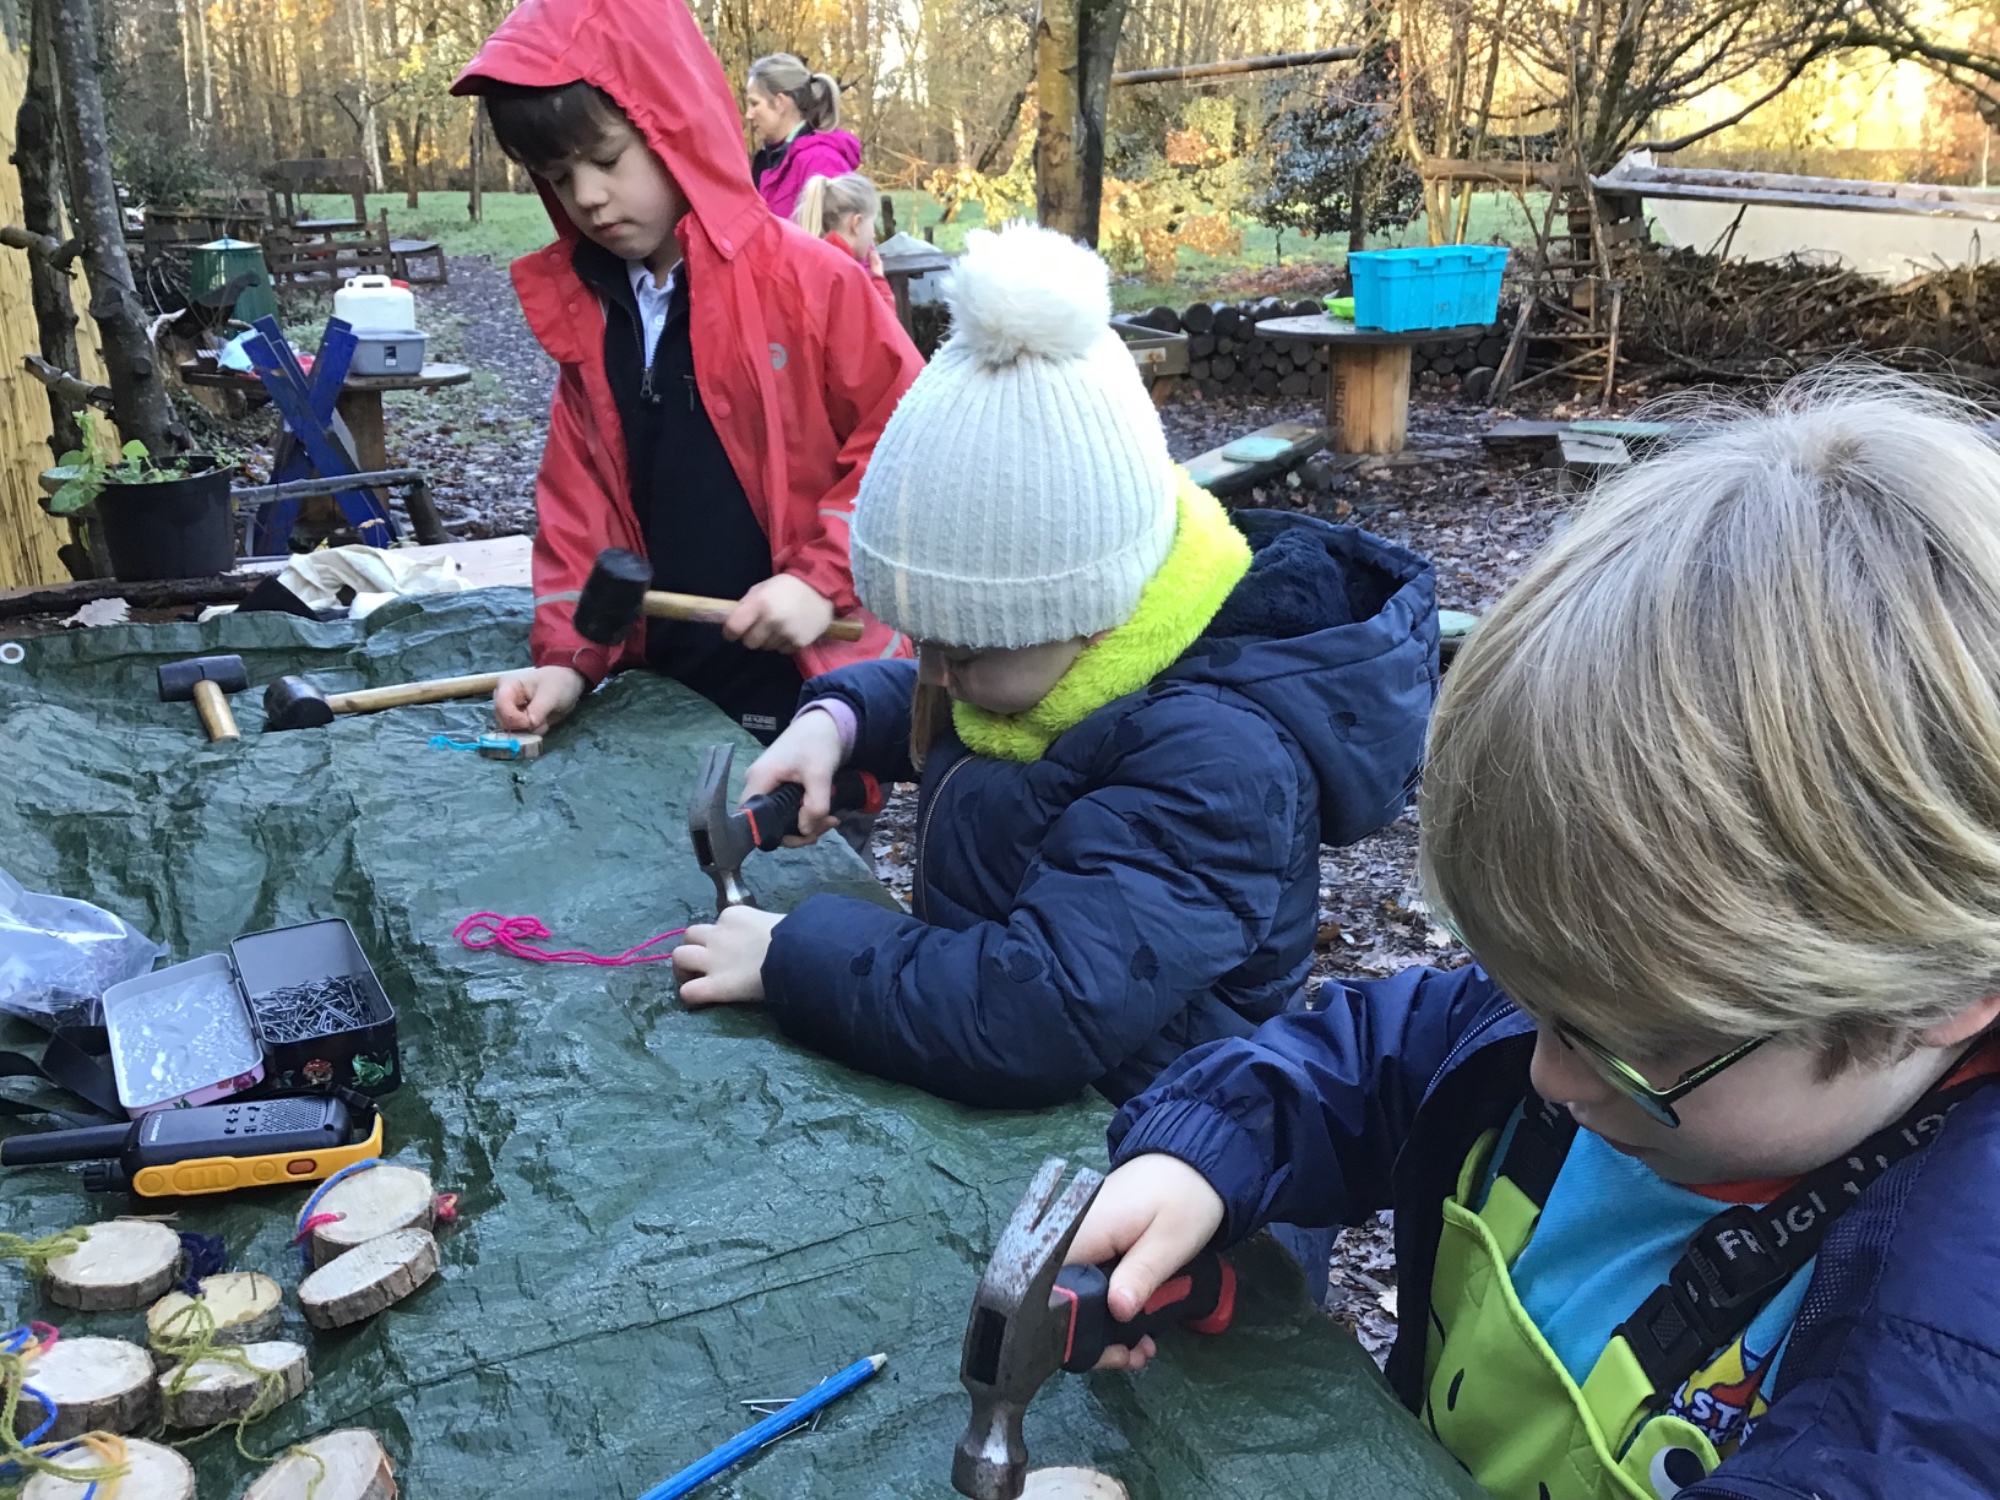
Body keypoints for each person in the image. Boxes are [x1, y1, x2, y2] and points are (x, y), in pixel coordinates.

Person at [1064, 373, 2000, 1499]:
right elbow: (1376, 1054)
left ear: (1940, 992)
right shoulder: (1620, 1006)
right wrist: (1205, 1152)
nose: (1548, 1074)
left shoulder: (1946, 1372)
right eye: (1530, 998)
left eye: (1630, 1046)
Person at [670, 222, 1438, 1109]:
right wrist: (836, 723)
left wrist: (790, 956)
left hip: (1151, 1143)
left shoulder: (1217, 767)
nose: (934, 674)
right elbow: (972, 705)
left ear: (1091, 618)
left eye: (960, 650)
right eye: (921, 640)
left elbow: (1031, 1010)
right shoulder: (1062, 667)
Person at [451, 0, 922, 744]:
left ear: (675, 125)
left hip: (812, 688)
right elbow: (581, 507)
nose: (588, 197)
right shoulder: (594, 308)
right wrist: (568, 659)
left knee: (794, 822)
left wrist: (821, 578)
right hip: (666, 688)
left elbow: (909, 445)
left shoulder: (814, 284)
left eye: (607, 160)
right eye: (559, 177)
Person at [745, 54, 861, 220]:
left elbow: (839, 234)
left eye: (754, 103)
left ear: (779, 102)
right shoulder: (769, 161)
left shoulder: (822, 161)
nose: (749, 115)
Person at [793, 173, 894, 309]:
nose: (874, 235)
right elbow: (882, 320)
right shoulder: (846, 276)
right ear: (856, 223)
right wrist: (879, 282)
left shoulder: (805, 266)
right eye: (872, 224)